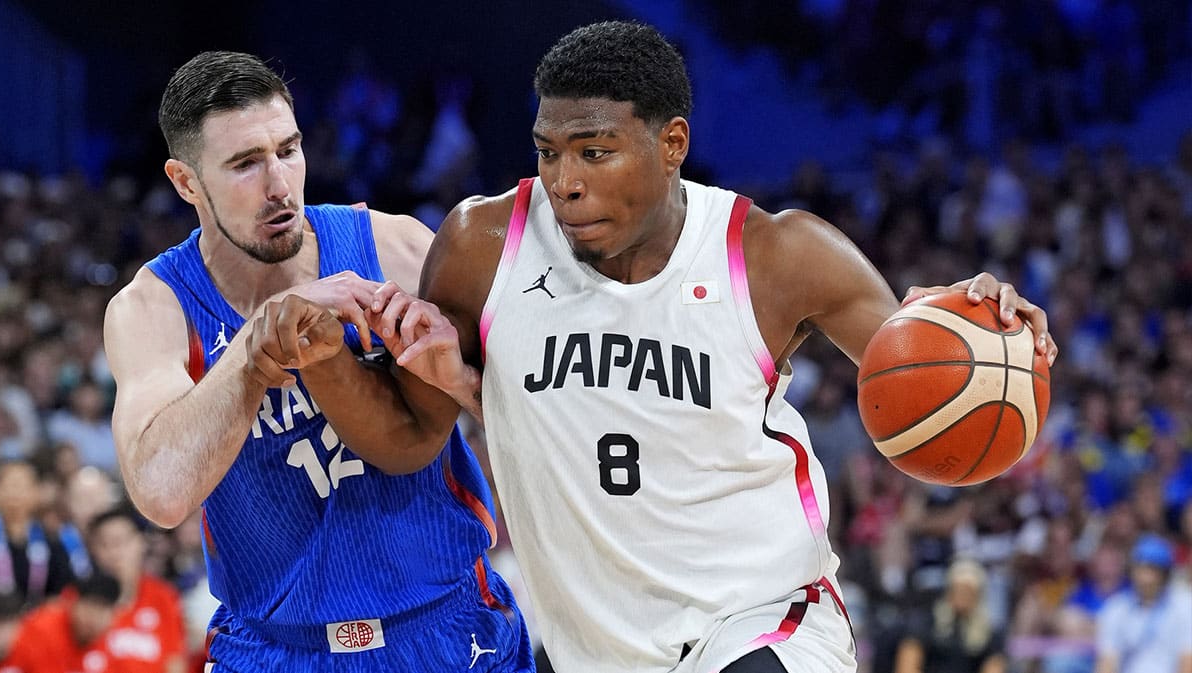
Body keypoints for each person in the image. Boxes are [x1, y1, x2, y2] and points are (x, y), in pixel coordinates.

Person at [351, 20, 1059, 673]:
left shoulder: (779, 254)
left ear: (673, 144)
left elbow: (921, 361)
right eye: (548, 151)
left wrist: (979, 335)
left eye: (594, 152)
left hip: (763, 622)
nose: (565, 182)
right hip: (595, 648)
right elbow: (410, 436)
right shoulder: (481, 246)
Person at [101, 51, 529, 671]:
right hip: (276, 648)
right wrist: (254, 347)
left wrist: (460, 382)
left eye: (288, 150)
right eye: (245, 163)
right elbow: (162, 494)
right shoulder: (154, 308)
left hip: (446, 627)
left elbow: (539, 414)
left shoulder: (395, 247)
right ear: (186, 181)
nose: (278, 184)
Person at [85, 506, 186, 673]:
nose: (114, 553)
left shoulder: (163, 598)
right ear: (93, 551)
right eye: (104, 544)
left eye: (120, 542)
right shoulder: (77, 599)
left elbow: (175, 663)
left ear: (140, 543)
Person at [1094, 534, 1192, 673]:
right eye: (1140, 568)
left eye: (1152, 569)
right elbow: (1107, 663)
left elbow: (1187, 662)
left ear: (1165, 574)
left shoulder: (1184, 606)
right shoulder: (1116, 608)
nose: (1144, 577)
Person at [894, 559, 1007, 673]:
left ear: (978, 596)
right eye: (958, 589)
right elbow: (907, 666)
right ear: (949, 591)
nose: (962, 596)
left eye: (968, 591)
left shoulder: (990, 633)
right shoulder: (924, 623)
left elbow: (994, 667)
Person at [0, 460, 75, 608]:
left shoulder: (51, 542)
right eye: (8, 485)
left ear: (36, 493)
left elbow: (62, 591)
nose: (14, 492)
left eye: (21, 486)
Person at [9, 572, 121, 673]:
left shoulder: (112, 642)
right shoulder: (43, 629)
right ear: (72, 603)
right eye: (89, 607)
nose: (94, 618)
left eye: (102, 610)